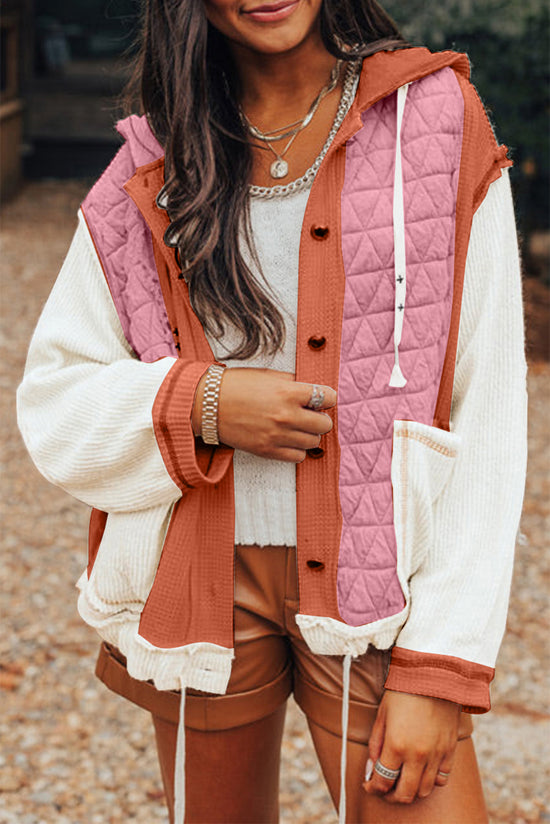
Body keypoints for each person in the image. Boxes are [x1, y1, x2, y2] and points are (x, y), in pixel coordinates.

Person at [17, 0, 528, 822]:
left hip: (379, 589)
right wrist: (206, 404)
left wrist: (442, 663)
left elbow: (489, 412)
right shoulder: (157, 161)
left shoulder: (431, 119)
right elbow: (53, 398)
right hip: (202, 587)